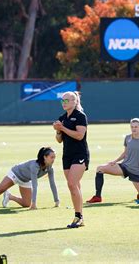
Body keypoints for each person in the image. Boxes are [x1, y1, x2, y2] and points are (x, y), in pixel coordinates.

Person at [87, 118, 139, 204]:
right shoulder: (127, 137)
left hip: (136, 170)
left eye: (136, 127)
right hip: (124, 167)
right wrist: (115, 161)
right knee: (100, 168)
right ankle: (97, 197)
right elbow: (125, 153)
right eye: (132, 127)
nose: (134, 129)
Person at [0, 147, 59, 211]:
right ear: (45, 157)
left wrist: (56, 201)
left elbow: (52, 184)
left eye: (54, 157)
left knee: (26, 204)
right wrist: (34, 204)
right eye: (52, 157)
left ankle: (9, 196)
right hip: (16, 174)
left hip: (25, 180)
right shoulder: (35, 166)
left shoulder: (50, 168)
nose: (53, 159)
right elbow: (35, 184)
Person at [53, 91, 89, 228]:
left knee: (72, 184)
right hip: (67, 155)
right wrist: (58, 131)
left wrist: (62, 127)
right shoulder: (62, 117)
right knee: (74, 186)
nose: (64, 103)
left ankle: (78, 217)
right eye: (62, 101)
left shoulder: (80, 116)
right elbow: (59, 140)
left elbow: (80, 135)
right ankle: (79, 217)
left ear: (74, 102)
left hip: (79, 154)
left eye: (67, 100)